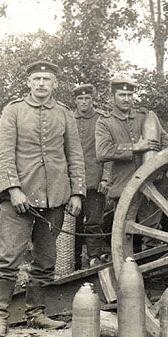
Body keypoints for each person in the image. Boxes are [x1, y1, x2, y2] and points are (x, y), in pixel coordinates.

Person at [0, 60, 85, 337]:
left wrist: (76, 192)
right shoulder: (14, 110)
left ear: (55, 84)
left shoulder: (65, 114)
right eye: (37, 79)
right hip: (19, 199)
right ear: (29, 83)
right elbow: (3, 154)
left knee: (46, 258)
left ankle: (36, 314)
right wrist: (13, 189)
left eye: (47, 79)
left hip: (55, 197)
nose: (41, 83)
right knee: (9, 257)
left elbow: (75, 155)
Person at [95, 75, 168, 242]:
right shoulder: (105, 123)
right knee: (124, 235)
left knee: (152, 234)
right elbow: (102, 151)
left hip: (151, 184)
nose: (126, 99)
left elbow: (167, 143)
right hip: (125, 185)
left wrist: (158, 165)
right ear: (113, 96)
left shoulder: (145, 117)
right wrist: (134, 147)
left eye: (129, 95)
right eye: (122, 95)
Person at [72, 83, 112, 267]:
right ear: (75, 101)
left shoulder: (101, 119)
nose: (84, 102)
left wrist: (106, 177)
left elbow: (108, 150)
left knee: (94, 221)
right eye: (80, 98)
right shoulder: (69, 119)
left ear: (92, 100)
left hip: (94, 179)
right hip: (72, 181)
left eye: (87, 98)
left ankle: (94, 258)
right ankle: (72, 261)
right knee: (73, 222)